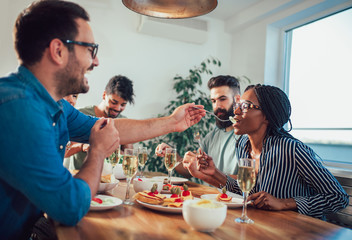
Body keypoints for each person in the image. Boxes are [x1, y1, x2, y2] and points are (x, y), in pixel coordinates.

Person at [0, 1, 205, 239]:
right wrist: (97, 152)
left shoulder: (54, 105)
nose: (95, 62)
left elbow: (108, 128)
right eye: (90, 49)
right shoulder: (20, 109)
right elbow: (70, 207)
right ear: (58, 51)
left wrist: (171, 122)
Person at [183, 84, 349, 219]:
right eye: (238, 105)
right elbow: (248, 193)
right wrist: (214, 173)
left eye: (245, 106)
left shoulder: (292, 150)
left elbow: (338, 197)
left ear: (267, 116)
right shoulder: (243, 144)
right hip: (263, 225)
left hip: (299, 231)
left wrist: (284, 203)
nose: (236, 111)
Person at [156, 75, 240, 178]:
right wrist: (171, 155)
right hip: (208, 194)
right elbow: (188, 170)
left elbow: (247, 181)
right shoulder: (212, 136)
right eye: (213, 101)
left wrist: (211, 174)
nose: (217, 106)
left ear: (237, 100)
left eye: (222, 99)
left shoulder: (248, 137)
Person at [72, 75, 134, 169]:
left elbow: (129, 158)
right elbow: (63, 150)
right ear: (104, 95)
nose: (118, 108)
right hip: (78, 177)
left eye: (123, 105)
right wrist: (82, 146)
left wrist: (120, 152)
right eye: (114, 102)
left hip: (109, 180)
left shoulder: (123, 121)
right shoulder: (81, 114)